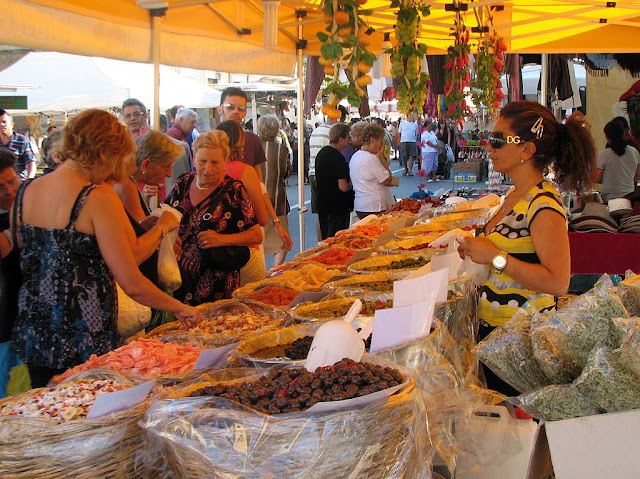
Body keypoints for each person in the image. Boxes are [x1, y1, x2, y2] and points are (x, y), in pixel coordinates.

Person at [8, 109, 202, 387]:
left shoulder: (26, 191)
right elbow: (131, 281)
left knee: (55, 417)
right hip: (86, 334)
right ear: (105, 153)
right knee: (93, 419)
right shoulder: (97, 197)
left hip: (35, 334)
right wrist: (179, 307)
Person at [456, 101, 596, 395]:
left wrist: (495, 258)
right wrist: (476, 252)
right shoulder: (513, 195)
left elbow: (558, 282)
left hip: (521, 343)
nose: (488, 147)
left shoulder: (544, 205)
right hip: (495, 334)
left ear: (526, 150)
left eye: (497, 140)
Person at [166, 130, 262, 304]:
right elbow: (166, 218)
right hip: (176, 282)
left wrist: (220, 239)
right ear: (194, 158)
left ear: (225, 161)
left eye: (215, 163)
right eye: (202, 161)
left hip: (217, 286)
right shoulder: (182, 183)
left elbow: (256, 235)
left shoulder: (234, 191)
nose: (208, 169)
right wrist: (171, 240)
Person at [258, 115, 293, 267]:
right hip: (277, 199)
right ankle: (275, 270)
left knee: (258, 240)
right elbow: (286, 172)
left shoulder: (252, 148)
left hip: (256, 199)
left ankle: (260, 269)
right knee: (282, 240)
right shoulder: (282, 149)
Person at [308, 105, 348, 241]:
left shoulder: (316, 130)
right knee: (332, 220)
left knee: (321, 214)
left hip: (314, 172)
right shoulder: (331, 135)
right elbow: (342, 185)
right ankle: (325, 242)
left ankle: (321, 243)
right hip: (330, 182)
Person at [217, 87, 266, 182]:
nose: (236, 111)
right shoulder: (209, 140)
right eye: (230, 107)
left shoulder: (253, 140)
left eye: (241, 108)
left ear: (245, 113)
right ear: (220, 109)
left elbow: (259, 178)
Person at [315, 123, 353, 239]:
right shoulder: (338, 158)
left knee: (326, 235)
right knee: (336, 238)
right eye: (348, 137)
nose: (349, 140)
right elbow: (343, 186)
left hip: (323, 203)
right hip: (337, 206)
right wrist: (351, 184)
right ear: (341, 139)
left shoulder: (321, 153)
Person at [350, 123, 393, 219]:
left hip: (360, 205)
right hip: (373, 206)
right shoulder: (371, 159)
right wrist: (382, 159)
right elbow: (388, 180)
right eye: (380, 141)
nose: (382, 145)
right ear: (372, 140)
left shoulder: (355, 156)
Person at [595, 119, 640, 202]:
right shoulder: (634, 151)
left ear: (608, 137)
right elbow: (638, 174)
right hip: (630, 195)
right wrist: (625, 180)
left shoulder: (603, 154)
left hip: (610, 198)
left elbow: (598, 177)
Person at [0, 108, 36, 179]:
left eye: (4, 122)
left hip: (19, 182)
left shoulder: (22, 140)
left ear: (12, 124)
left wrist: (28, 181)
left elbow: (31, 162)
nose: (1, 124)